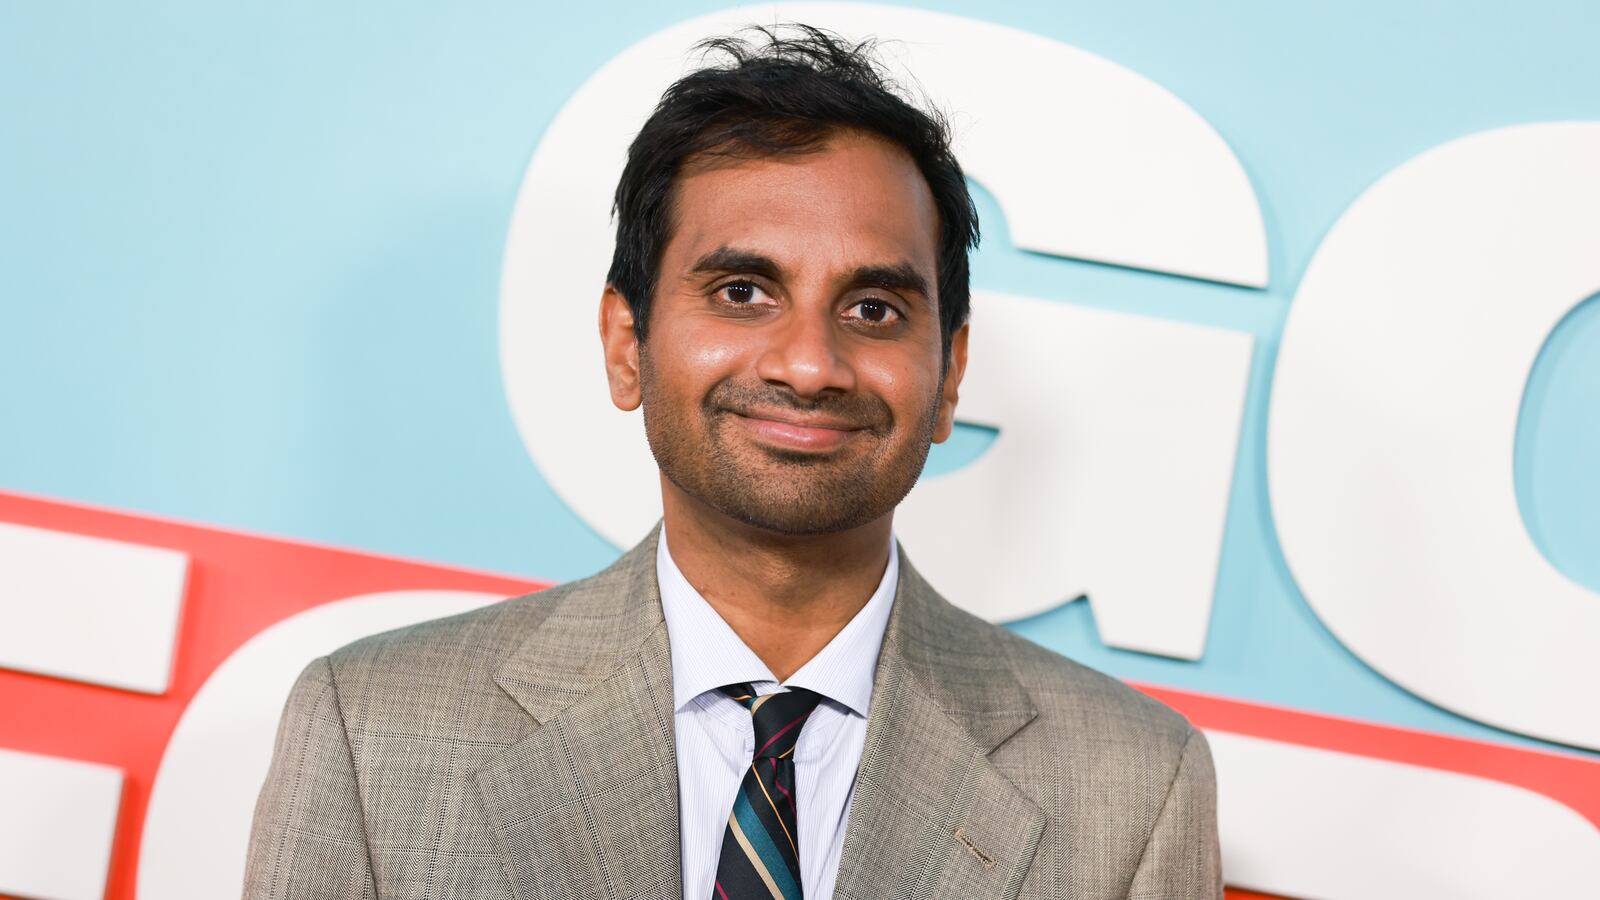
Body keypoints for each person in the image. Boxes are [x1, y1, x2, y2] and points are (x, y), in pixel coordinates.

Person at [243, 25, 1221, 900]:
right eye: (744, 290)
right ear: (626, 343)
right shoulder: (374, 733)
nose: (808, 362)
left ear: (949, 374)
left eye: (874, 309)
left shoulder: (1132, 784)